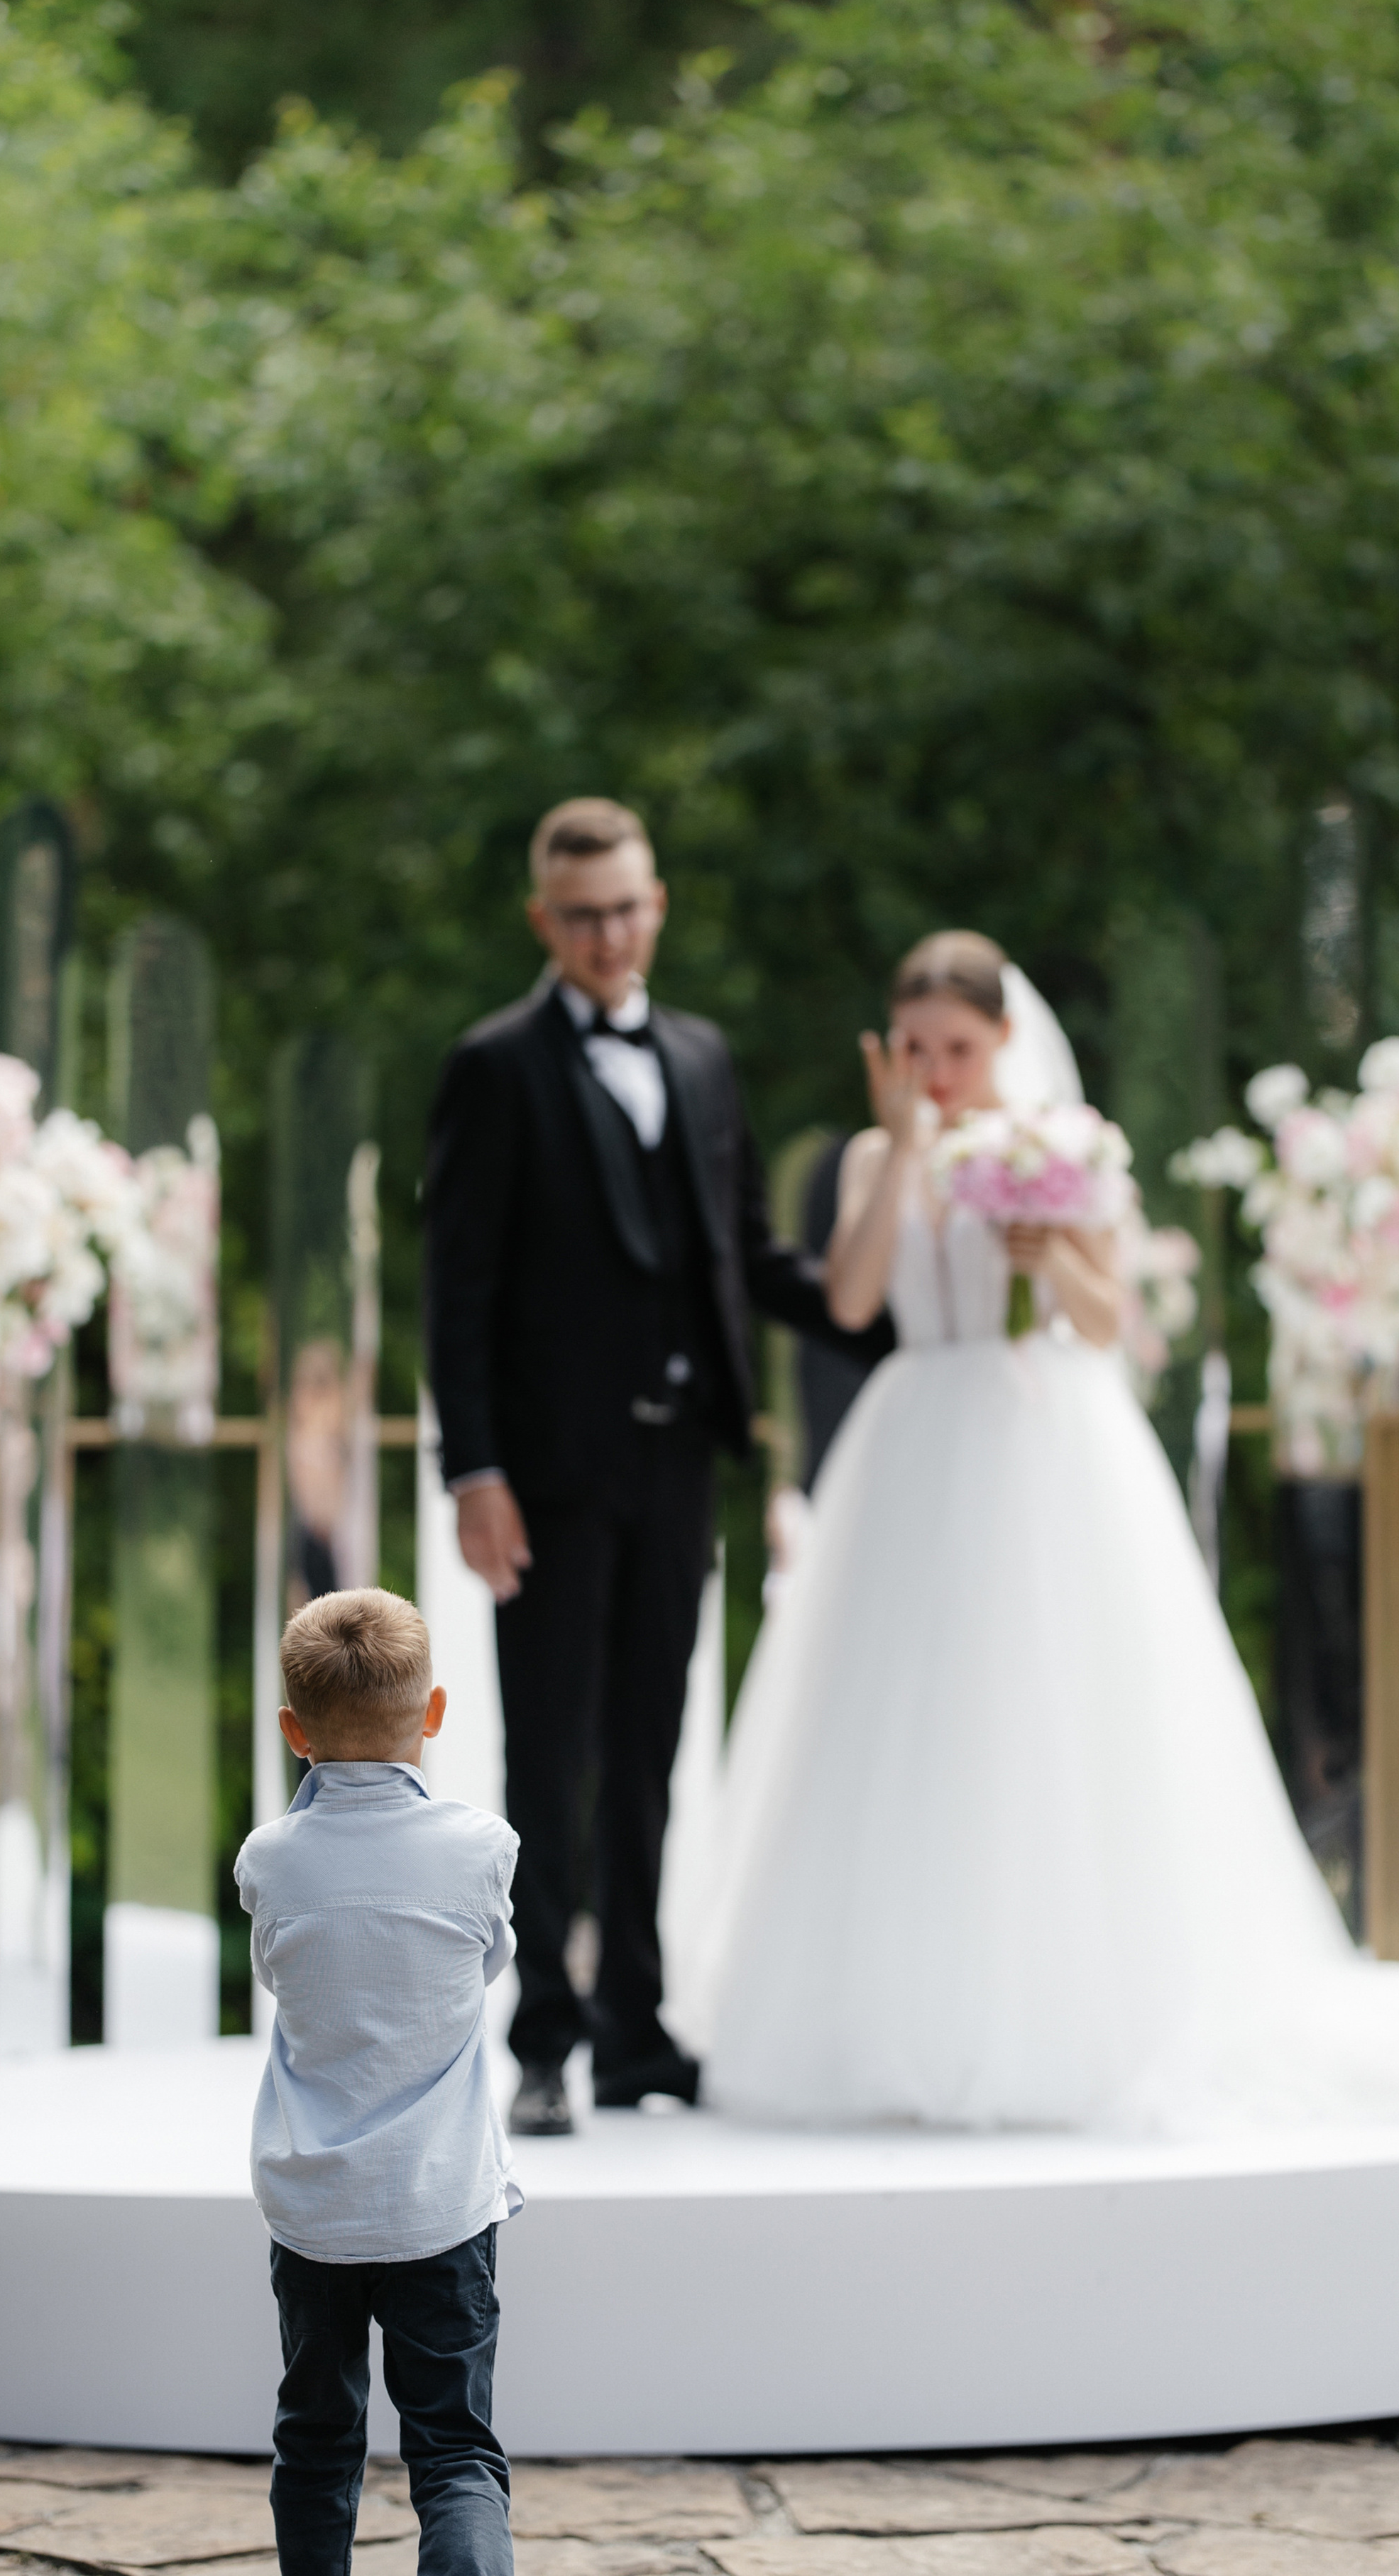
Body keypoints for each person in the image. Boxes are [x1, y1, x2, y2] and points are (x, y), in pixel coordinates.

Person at [672, 928, 1399, 2132]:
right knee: (902, 1711)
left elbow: (1102, 1318)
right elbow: (852, 1300)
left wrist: (1047, 1252)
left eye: (958, 1047)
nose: (938, 1068)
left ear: (1000, 1041)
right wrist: (901, 1154)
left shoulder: (1061, 1150)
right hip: (915, 1432)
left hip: (1042, 1434)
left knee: (1055, 1704)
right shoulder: (885, 1151)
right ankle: (890, 2013)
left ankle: (1064, 2012)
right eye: (917, 1047)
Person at [424, 796, 891, 2135]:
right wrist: (476, 1471)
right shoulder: (493, 1065)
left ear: (658, 904)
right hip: (549, 1474)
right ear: (541, 921)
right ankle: (542, 2043)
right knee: (548, 1752)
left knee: (648, 1749)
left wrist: (899, 1317)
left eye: (626, 908)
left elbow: (741, 1253)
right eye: (580, 915)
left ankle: (635, 2029)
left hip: (685, 1459)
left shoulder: (699, 1057)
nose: (608, 934)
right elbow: (458, 1291)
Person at [236, 1589, 518, 2576]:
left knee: (316, 2440)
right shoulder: (485, 1851)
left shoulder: (269, 1860)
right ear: (432, 1713)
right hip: (439, 2207)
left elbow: (283, 1973)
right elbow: (485, 1966)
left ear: (292, 1732)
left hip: (316, 2214)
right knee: (455, 2454)